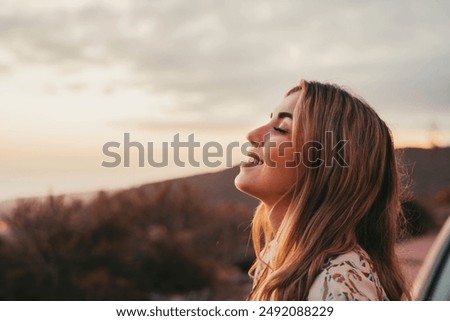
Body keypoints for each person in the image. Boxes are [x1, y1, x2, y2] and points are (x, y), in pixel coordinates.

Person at [234, 79, 411, 300]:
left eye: (280, 129)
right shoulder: (283, 260)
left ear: (326, 165)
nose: (253, 134)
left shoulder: (338, 286)